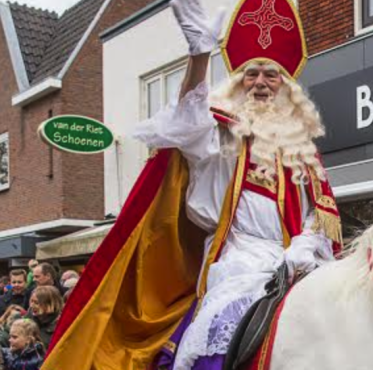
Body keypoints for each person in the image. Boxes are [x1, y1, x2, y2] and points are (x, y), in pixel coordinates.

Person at [43, 1, 342, 369]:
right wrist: (199, 56)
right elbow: (188, 120)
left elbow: (319, 217)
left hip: (295, 262)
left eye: (271, 74)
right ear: (237, 81)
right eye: (251, 74)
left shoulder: (302, 149)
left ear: (286, 86)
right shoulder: (223, 135)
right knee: (217, 338)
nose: (261, 82)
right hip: (238, 261)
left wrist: (302, 249)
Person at [26, 286, 63, 351]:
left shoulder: (60, 326)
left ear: (51, 304)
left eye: (36, 303)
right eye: (31, 301)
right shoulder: (28, 318)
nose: (32, 306)